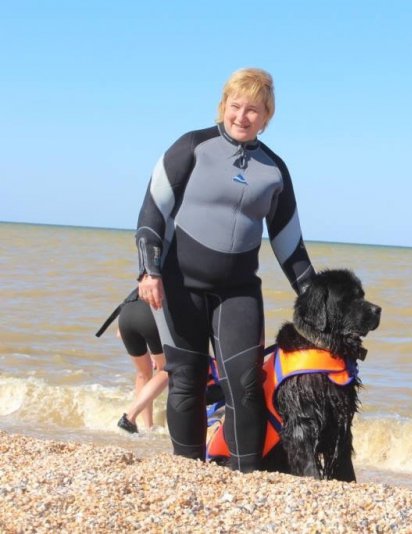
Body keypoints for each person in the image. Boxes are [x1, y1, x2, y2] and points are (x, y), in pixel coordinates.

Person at [135, 67, 315, 472]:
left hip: (238, 292)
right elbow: (152, 214)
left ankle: (245, 478)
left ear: (267, 116)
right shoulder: (192, 147)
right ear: (223, 106)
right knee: (187, 378)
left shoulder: (274, 170)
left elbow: (291, 247)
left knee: (246, 384)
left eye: (253, 109)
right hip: (180, 285)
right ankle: (188, 471)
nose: (242, 116)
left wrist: (319, 303)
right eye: (235, 106)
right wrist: (149, 271)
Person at [115, 299, 167, 433]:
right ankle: (130, 417)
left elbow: (119, 334)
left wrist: (150, 355)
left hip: (126, 317)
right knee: (168, 370)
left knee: (143, 373)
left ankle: (147, 427)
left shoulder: (145, 283)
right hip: (151, 315)